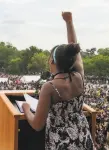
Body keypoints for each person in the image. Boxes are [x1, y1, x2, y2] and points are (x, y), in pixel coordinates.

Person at [22, 12, 94, 149]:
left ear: (53, 61)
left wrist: (26, 109)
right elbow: (74, 50)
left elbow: (37, 125)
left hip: (61, 143)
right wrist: (69, 22)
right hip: (83, 137)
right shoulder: (78, 76)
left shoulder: (49, 87)